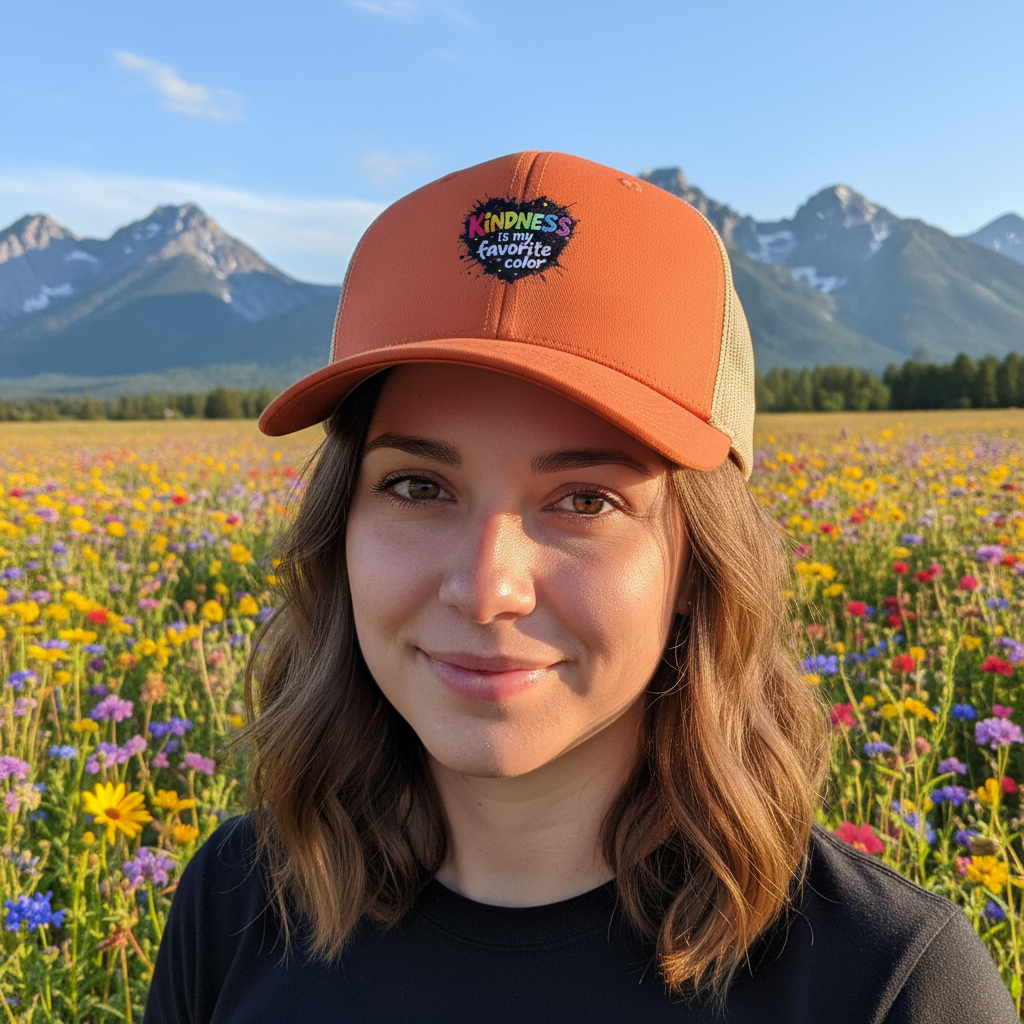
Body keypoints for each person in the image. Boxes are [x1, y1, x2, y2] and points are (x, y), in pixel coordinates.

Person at [142, 152, 1017, 1023]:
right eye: (417, 487)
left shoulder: (888, 987)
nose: (486, 588)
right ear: (341, 531)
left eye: (586, 500)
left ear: (696, 561)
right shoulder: (233, 906)